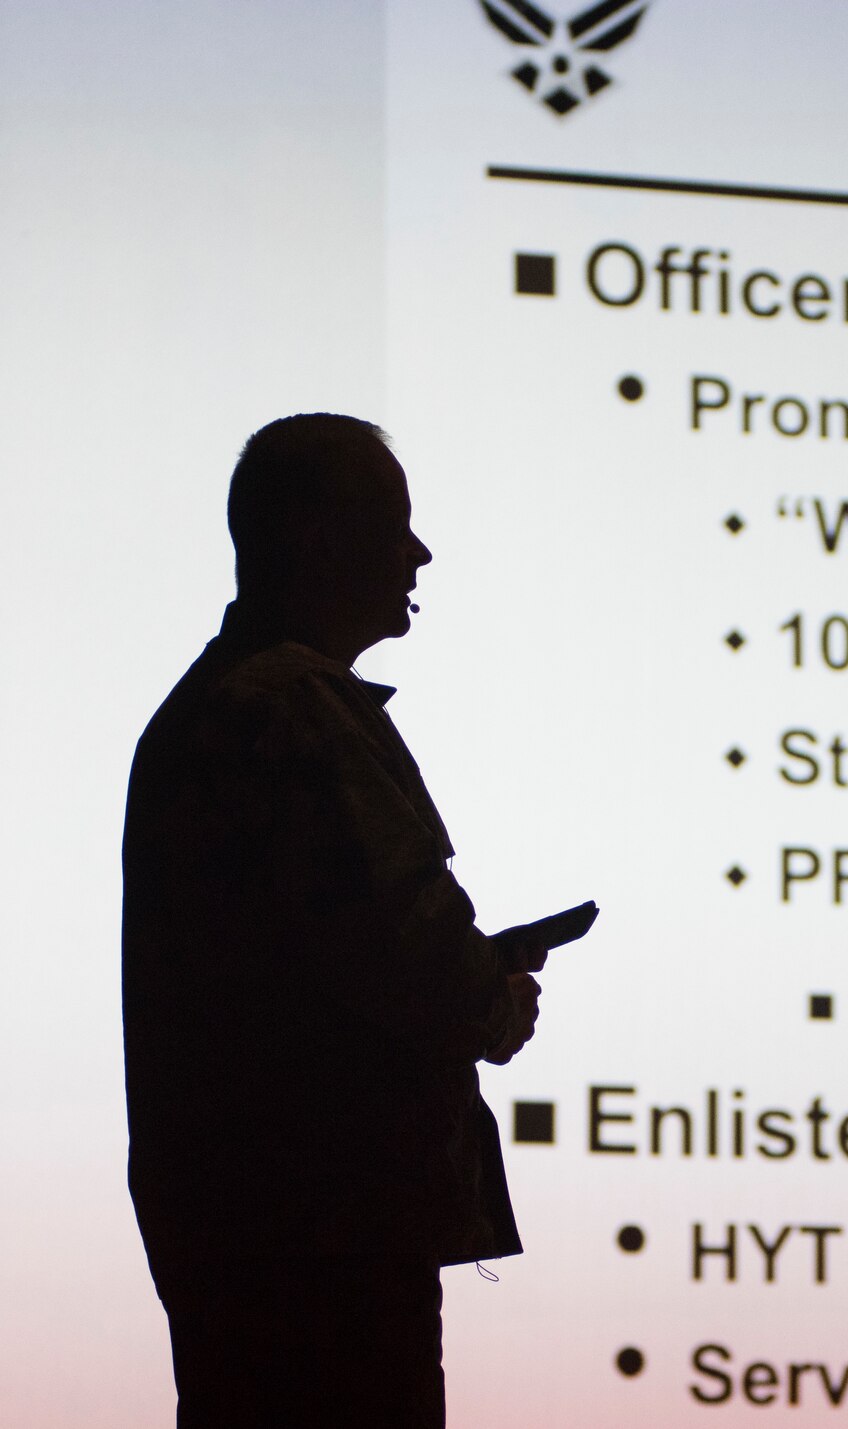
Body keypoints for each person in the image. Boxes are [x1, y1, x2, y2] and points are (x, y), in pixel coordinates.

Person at [123, 414, 555, 1427]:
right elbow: (414, 964)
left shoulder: (206, 710)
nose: (419, 553)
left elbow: (325, 952)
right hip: (329, 1251)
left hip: (250, 1242)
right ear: (321, 540)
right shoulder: (298, 717)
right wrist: (490, 996)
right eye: (396, 526)